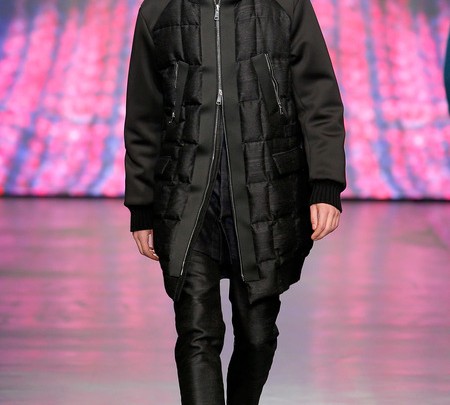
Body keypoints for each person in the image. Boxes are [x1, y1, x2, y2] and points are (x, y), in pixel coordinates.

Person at [123, 0, 346, 404]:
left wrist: (326, 183)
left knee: (258, 333)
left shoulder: (287, 5)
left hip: (266, 190)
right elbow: (144, 114)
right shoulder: (158, 10)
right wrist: (142, 204)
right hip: (186, 194)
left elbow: (318, 99)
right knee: (196, 332)